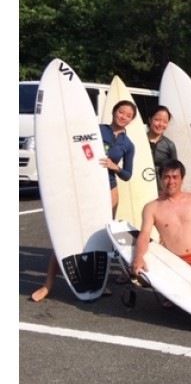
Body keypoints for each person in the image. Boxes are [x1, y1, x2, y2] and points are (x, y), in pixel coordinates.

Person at [32, 99, 137, 303]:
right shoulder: (96, 130)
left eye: (128, 115)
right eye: (121, 112)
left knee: (101, 240)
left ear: (131, 120)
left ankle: (100, 282)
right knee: (66, 235)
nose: (123, 117)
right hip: (82, 188)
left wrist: (115, 167)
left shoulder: (128, 144)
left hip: (109, 190)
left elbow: (127, 174)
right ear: (114, 112)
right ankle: (47, 285)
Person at [131, 159, 191, 291]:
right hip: (175, 265)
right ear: (160, 179)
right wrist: (138, 257)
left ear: (182, 178)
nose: (171, 182)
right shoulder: (151, 208)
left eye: (175, 177)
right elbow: (144, 235)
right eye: (166, 177)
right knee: (176, 307)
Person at [147, 105, 177, 184]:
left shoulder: (169, 145)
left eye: (165, 122)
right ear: (150, 120)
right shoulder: (139, 141)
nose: (161, 124)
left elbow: (175, 171)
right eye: (157, 120)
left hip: (161, 189)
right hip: (141, 186)